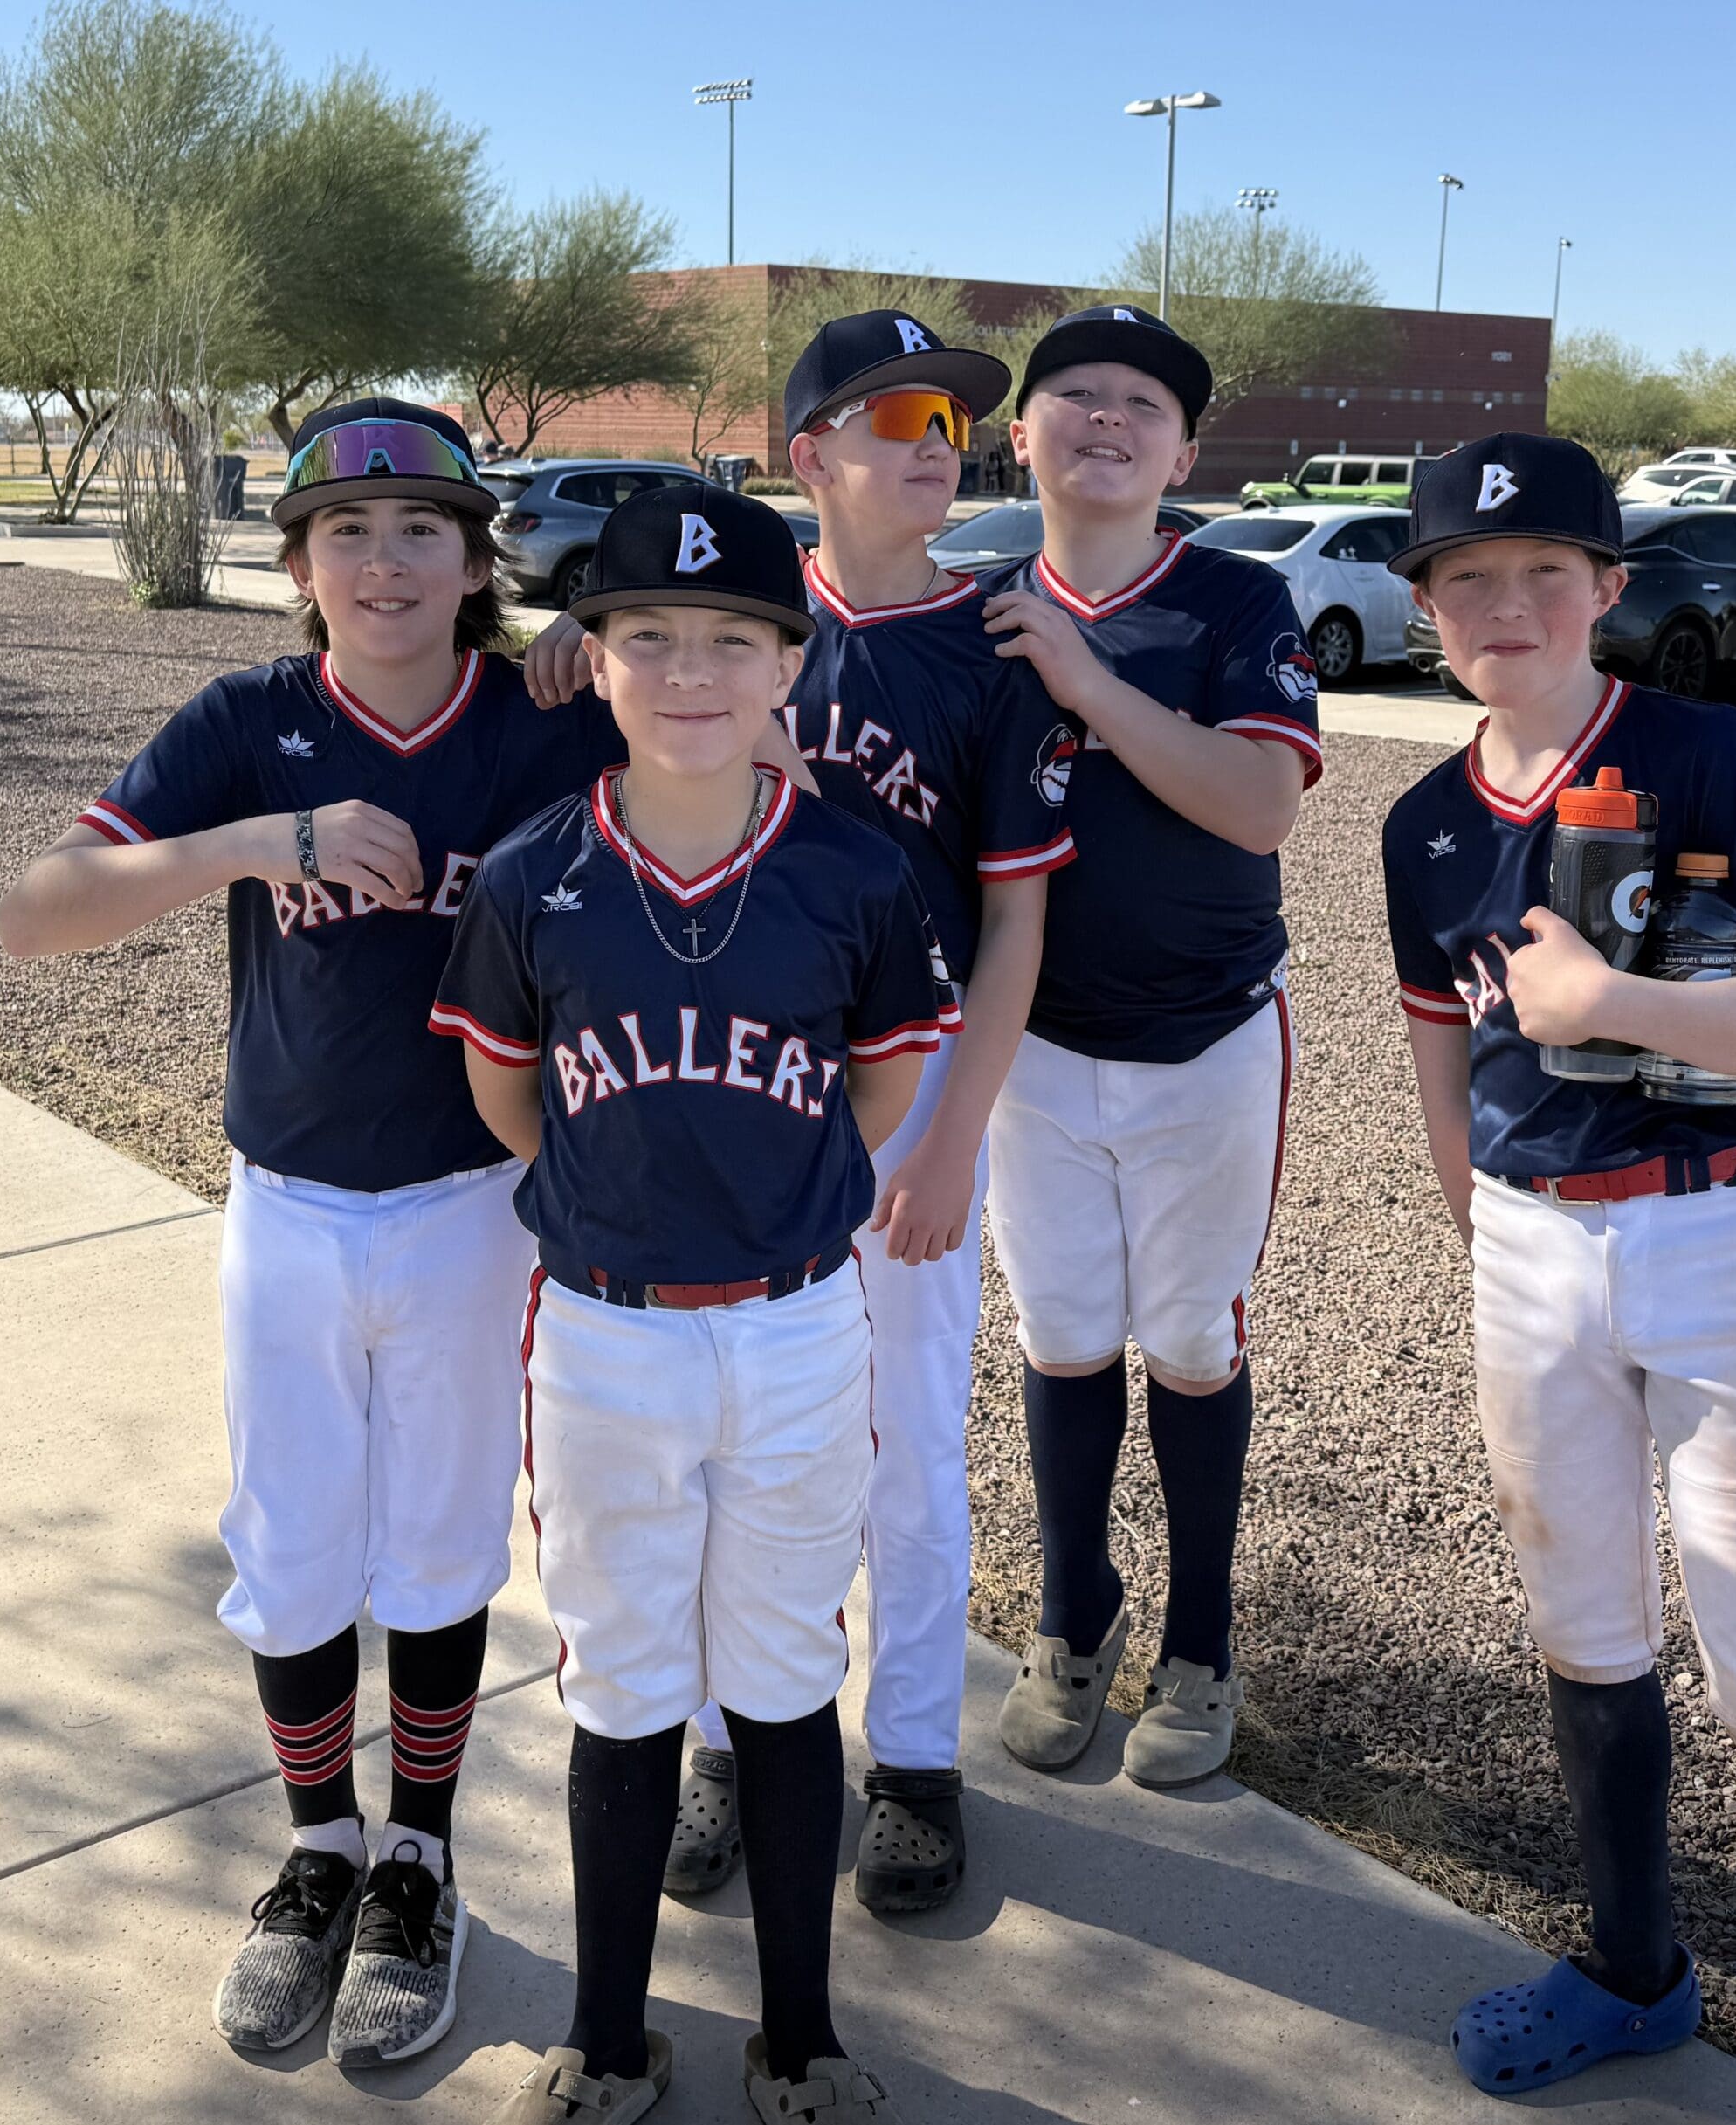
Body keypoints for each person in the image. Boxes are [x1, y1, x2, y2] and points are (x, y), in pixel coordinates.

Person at [0, 398, 636, 2068]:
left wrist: (616, 642)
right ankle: (319, 1851)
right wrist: (261, 840)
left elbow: (760, 722)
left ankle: (419, 1858)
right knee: (288, 1547)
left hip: (472, 1204)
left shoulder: (547, 716)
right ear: (296, 564)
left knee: (435, 1547)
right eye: (346, 532)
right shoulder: (251, 720)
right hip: (285, 1201)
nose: (385, 560)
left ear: (477, 559)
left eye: (424, 528)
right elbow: (36, 913)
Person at [1379, 431, 1736, 2125]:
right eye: (1466, 578)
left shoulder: (1705, 751)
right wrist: (1488, 1231)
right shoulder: (1421, 822)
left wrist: (1614, 1002)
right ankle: (1633, 1966)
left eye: (1545, 570)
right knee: (1582, 1626)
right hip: (1530, 1241)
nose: (1506, 603)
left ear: (1608, 587)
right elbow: (1441, 1066)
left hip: (1717, 1232)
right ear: (1423, 609)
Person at [525, 310, 1076, 1914]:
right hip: (716, 1075)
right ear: (808, 449)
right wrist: (571, 642)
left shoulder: (999, 643)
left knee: (901, 1439)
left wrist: (958, 1136)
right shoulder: (732, 619)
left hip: (908, 1079)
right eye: (895, 416)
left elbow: (1017, 923)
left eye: (951, 421)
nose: (934, 444)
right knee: (713, 1439)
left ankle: (910, 1756)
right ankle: (721, 1740)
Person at [438, 486, 938, 2125]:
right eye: (647, 635)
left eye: (735, 638)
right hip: (605, 1330)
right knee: (625, 1683)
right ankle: (607, 2035)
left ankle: (800, 2034)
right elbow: (511, 1099)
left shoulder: (853, 872)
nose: (690, 670)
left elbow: (878, 1088)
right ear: (593, 657)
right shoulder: (534, 874)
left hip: (796, 1325)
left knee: (784, 1677)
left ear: (791, 664)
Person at [980, 306, 1322, 1790]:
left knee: (1188, 1339)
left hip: (1208, 1034)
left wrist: (1091, 685)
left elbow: (1260, 804)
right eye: (1076, 394)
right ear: (1021, 435)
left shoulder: (1237, 598)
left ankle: (1201, 1636)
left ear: (1185, 453)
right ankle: (1077, 1611)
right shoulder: (974, 612)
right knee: (1061, 1334)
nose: (1107, 419)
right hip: (1032, 1042)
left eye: (1143, 403)